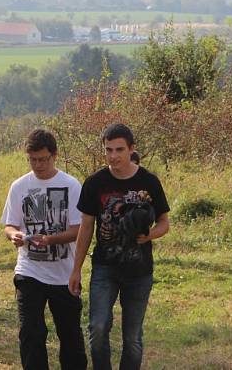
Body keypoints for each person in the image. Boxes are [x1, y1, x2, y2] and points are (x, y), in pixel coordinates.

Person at [69, 124, 170, 370]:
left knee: (132, 338)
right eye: (108, 150)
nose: (113, 156)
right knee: (98, 328)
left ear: (131, 149)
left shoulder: (149, 181)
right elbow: (86, 227)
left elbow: (164, 223)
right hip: (105, 267)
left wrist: (149, 236)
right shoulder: (95, 182)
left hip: (140, 270)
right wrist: (76, 269)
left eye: (119, 150)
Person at [1, 128, 87, 370]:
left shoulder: (71, 185)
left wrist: (50, 240)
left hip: (64, 274)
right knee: (30, 331)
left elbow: (78, 230)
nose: (37, 165)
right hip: (29, 270)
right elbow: (9, 225)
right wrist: (14, 235)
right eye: (32, 159)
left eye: (43, 159)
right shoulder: (19, 186)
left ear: (54, 156)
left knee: (69, 334)